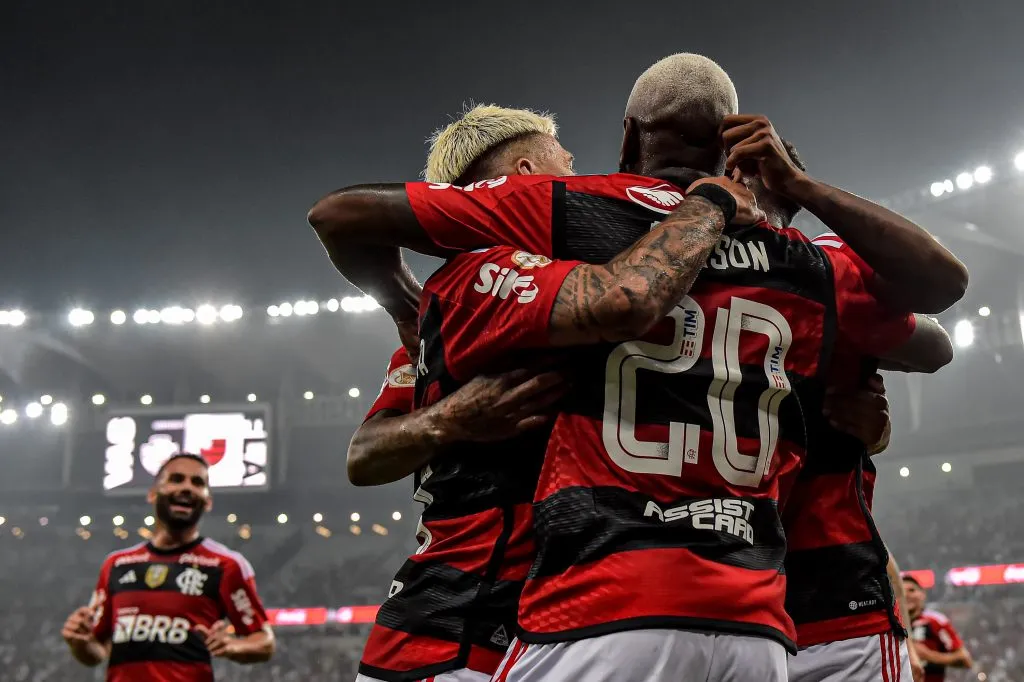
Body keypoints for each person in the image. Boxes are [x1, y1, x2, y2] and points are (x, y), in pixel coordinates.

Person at [309, 53, 964, 681]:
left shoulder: (568, 255)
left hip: (589, 609)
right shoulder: (491, 275)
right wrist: (447, 415)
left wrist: (849, 395)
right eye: (565, 163)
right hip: (488, 625)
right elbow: (365, 452)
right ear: (526, 174)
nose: (580, 171)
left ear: (631, 138)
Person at [732, 128, 949, 682]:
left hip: (803, 591)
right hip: (749, 593)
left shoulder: (818, 269)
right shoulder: (670, 265)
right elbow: (933, 338)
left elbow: (937, 335)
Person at [61, 453, 274, 681]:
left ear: (208, 501)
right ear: (153, 494)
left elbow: (264, 642)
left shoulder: (226, 565)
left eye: (198, 482)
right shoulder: (117, 565)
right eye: (176, 479)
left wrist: (232, 646)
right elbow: (97, 652)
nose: (187, 487)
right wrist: (80, 643)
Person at [903, 575, 973, 682]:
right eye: (901, 591)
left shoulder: (935, 621)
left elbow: (965, 659)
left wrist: (929, 655)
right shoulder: (890, 624)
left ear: (922, 594)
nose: (906, 595)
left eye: (911, 590)